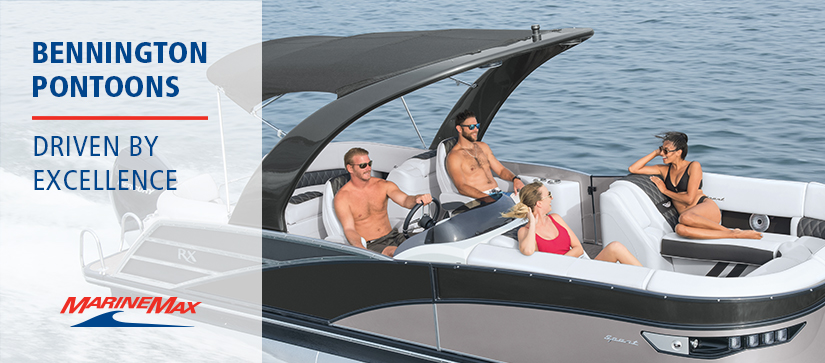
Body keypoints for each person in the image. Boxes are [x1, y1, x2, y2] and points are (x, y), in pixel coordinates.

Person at [628, 131, 762, 239]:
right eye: (662, 150)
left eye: (666, 151)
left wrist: (664, 190)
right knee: (680, 229)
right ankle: (731, 234)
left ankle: (734, 233)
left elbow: (689, 199)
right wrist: (656, 152)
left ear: (679, 152)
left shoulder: (693, 166)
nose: (663, 154)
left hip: (704, 208)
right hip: (688, 219)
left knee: (685, 218)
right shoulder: (664, 170)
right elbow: (633, 169)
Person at [502, 181, 642, 265]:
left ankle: (650, 282)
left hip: (579, 266)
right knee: (615, 248)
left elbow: (579, 248)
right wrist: (532, 221)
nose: (552, 198)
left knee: (615, 247)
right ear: (539, 203)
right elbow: (528, 251)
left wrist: (563, 261)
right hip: (565, 277)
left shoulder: (556, 218)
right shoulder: (525, 232)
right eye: (549, 195)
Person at [334, 147, 433, 257]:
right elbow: (349, 229)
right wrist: (360, 248)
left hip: (393, 236)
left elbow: (405, 200)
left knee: (430, 239)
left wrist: (417, 198)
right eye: (363, 165)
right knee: (398, 252)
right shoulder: (343, 197)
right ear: (350, 168)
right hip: (372, 244)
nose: (368, 169)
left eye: (369, 164)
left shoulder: (383, 185)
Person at [446, 109, 525, 199]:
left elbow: (501, 170)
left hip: (499, 194)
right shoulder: (454, 156)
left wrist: (515, 179)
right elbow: (461, 187)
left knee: (537, 195)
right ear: (459, 129)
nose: (476, 130)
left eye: (477, 125)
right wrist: (487, 198)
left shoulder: (483, 147)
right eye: (471, 127)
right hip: (481, 200)